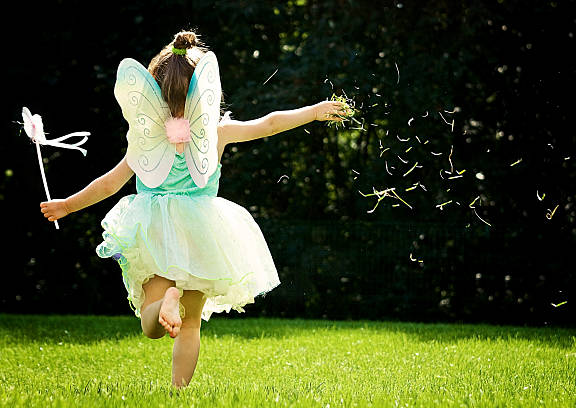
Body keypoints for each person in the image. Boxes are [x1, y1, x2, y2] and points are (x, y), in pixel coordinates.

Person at [39, 30, 347, 389]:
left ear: (154, 93)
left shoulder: (146, 142)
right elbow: (270, 123)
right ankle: (179, 391)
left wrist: (67, 205)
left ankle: (165, 300)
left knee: (151, 326)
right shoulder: (217, 132)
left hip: (154, 231)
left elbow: (109, 184)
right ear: (204, 93)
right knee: (190, 325)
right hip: (203, 232)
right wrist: (313, 112)